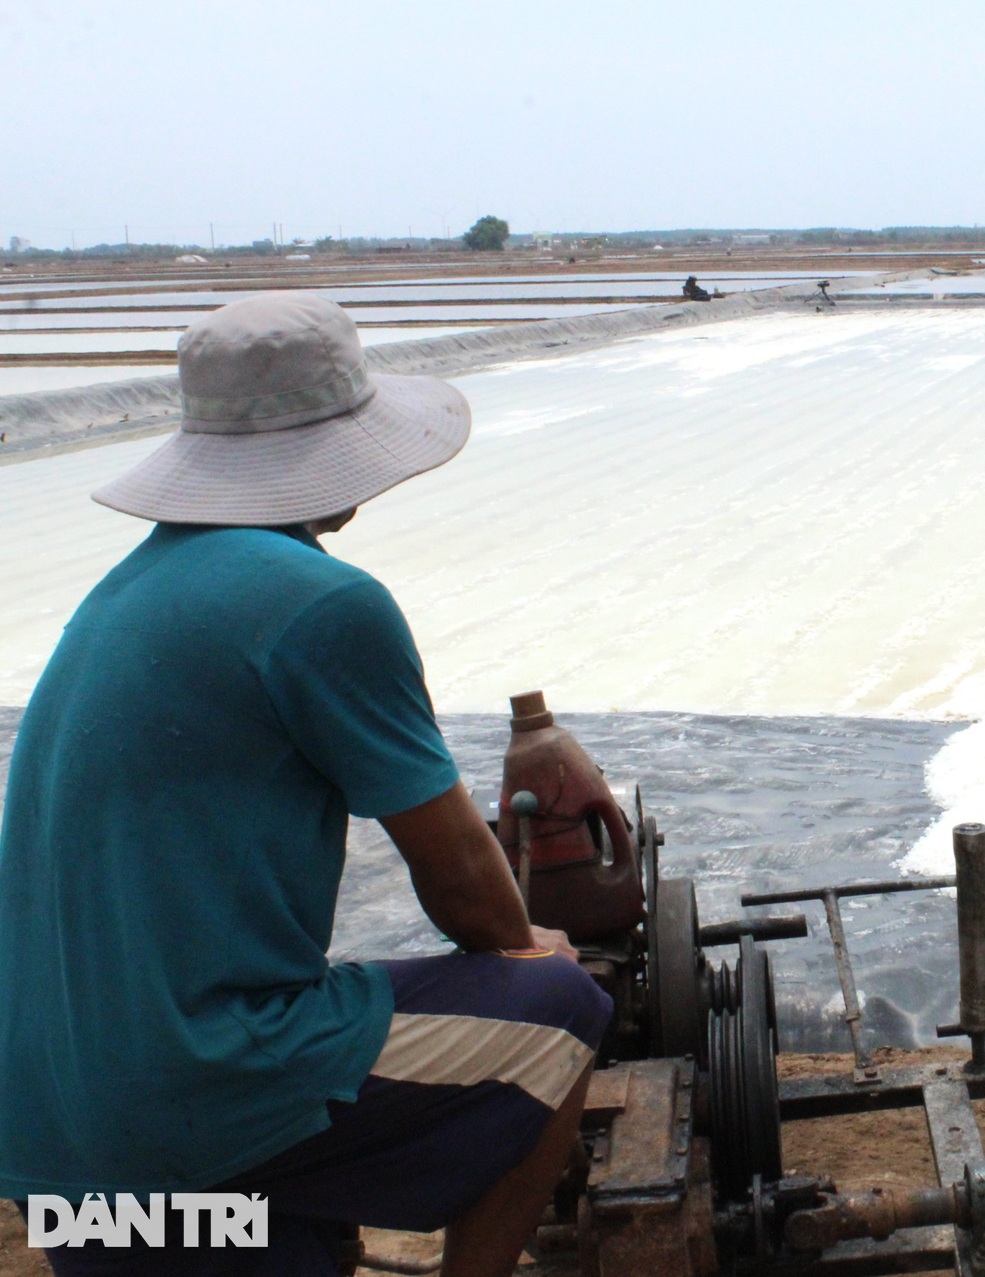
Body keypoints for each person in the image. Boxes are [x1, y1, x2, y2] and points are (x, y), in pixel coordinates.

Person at [0, 293, 612, 1277]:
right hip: (188, 1098)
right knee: (561, 1009)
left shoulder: (123, 592)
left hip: (58, 1155)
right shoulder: (321, 602)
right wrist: (529, 944)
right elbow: (467, 888)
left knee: (297, 1245)